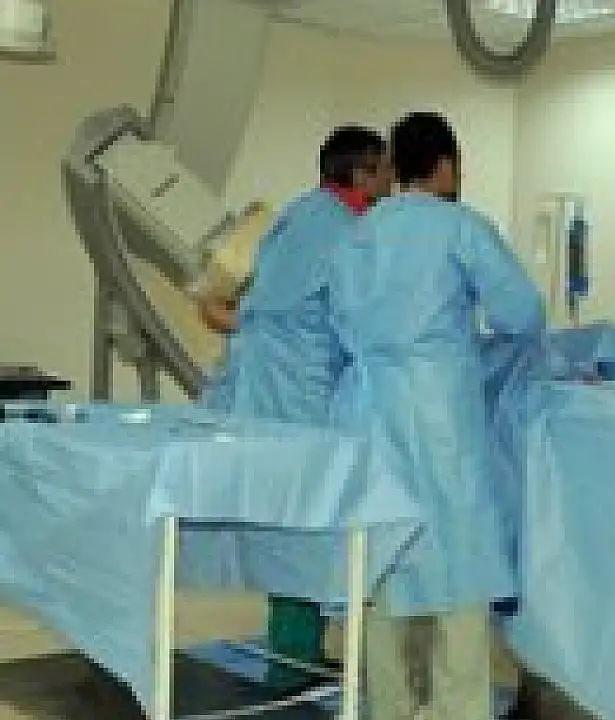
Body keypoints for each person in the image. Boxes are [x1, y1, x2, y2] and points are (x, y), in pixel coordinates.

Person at [325, 111, 545, 720]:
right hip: (437, 411)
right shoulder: (460, 228)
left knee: (380, 565)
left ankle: (389, 707)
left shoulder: (358, 235)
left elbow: (341, 322)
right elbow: (522, 312)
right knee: (459, 567)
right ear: (446, 165)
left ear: (395, 166)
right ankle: (458, 709)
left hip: (367, 411)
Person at [198, 125, 394, 691]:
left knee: (287, 525)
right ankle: (294, 659)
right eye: (383, 169)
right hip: (303, 400)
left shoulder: (297, 216)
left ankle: (294, 650)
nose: (390, 180)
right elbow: (360, 321)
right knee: (305, 530)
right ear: (361, 175)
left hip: (264, 394)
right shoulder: (348, 233)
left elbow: (257, 303)